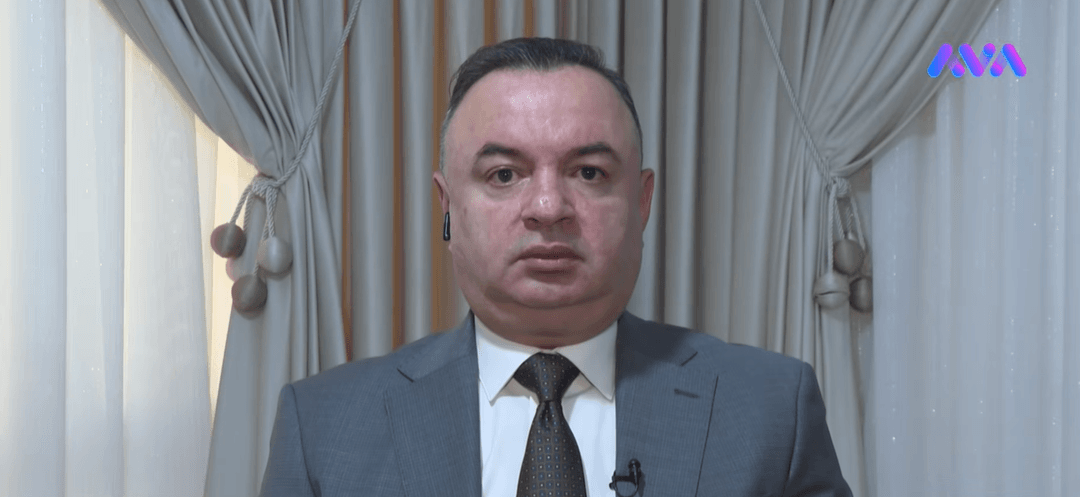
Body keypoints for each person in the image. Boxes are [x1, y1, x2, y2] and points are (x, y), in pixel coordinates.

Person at [260, 37, 852, 497]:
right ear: (448, 206)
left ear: (642, 201)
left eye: (589, 172)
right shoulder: (324, 427)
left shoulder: (770, 410)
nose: (548, 208)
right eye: (504, 175)